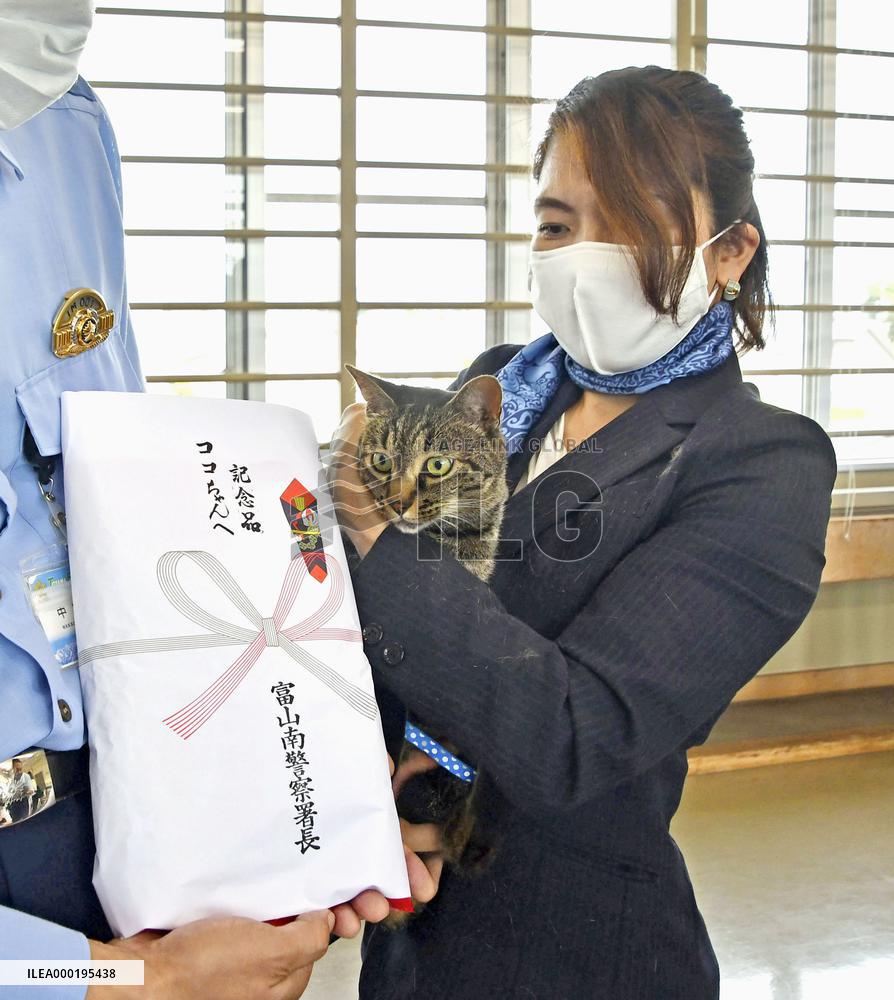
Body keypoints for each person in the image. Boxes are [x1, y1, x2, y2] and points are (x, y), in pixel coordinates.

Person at [329, 66, 838, 999]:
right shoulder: (498, 388)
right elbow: (403, 643)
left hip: (580, 952)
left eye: (633, 222)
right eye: (559, 225)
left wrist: (373, 536)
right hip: (408, 945)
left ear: (730, 251)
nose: (584, 255)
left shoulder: (761, 461)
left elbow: (576, 732)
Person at [0, 4, 437, 997]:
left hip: (111, 817)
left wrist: (288, 779)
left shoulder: (61, 123)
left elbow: (113, 505)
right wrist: (114, 982)